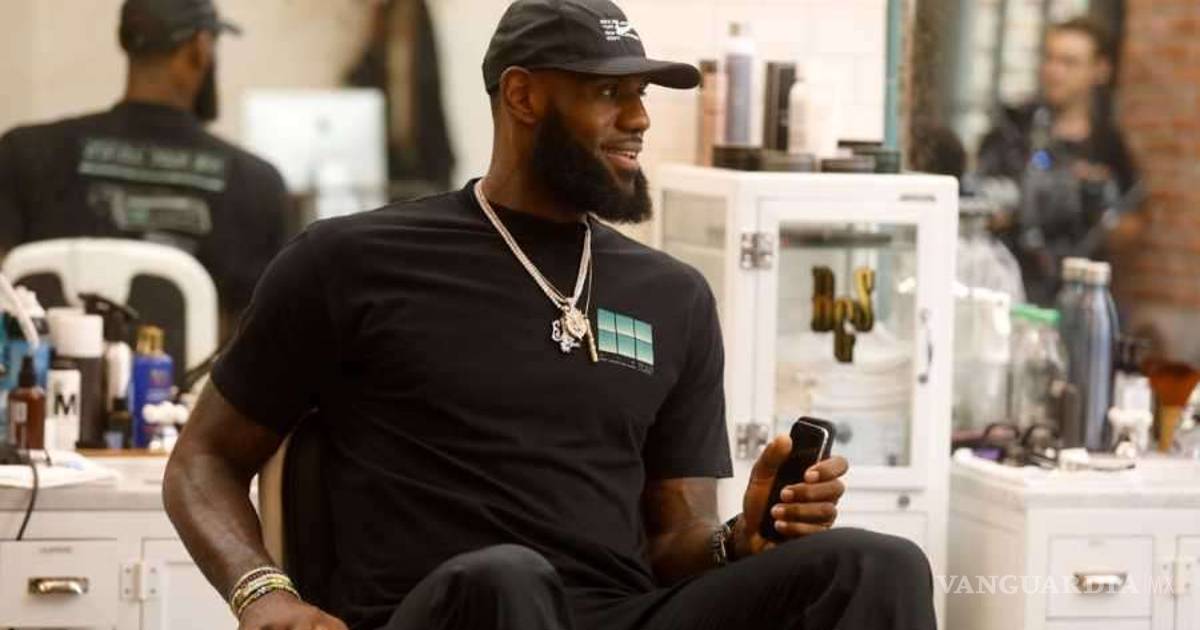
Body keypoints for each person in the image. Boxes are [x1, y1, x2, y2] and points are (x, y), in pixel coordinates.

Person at [162, 1, 937, 629]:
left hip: (619, 612)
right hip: (446, 610)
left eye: (642, 95)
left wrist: (739, 538)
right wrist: (262, 593)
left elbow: (674, 538)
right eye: (608, 93)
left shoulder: (673, 297)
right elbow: (203, 459)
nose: (639, 118)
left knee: (878, 564)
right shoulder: (350, 262)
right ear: (524, 96)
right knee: (510, 580)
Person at [0, 0, 288, 339]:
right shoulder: (257, 186)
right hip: (197, 375)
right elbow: (267, 336)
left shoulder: (24, 153)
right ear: (200, 49)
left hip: (43, 371)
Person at [977, 16, 1139, 305]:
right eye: (1049, 59)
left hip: (1074, 296)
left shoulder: (1107, 146)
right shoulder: (1011, 132)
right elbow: (977, 205)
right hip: (1007, 288)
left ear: (1100, 70)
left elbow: (1130, 230)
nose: (1054, 71)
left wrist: (1096, 206)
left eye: (1069, 62)